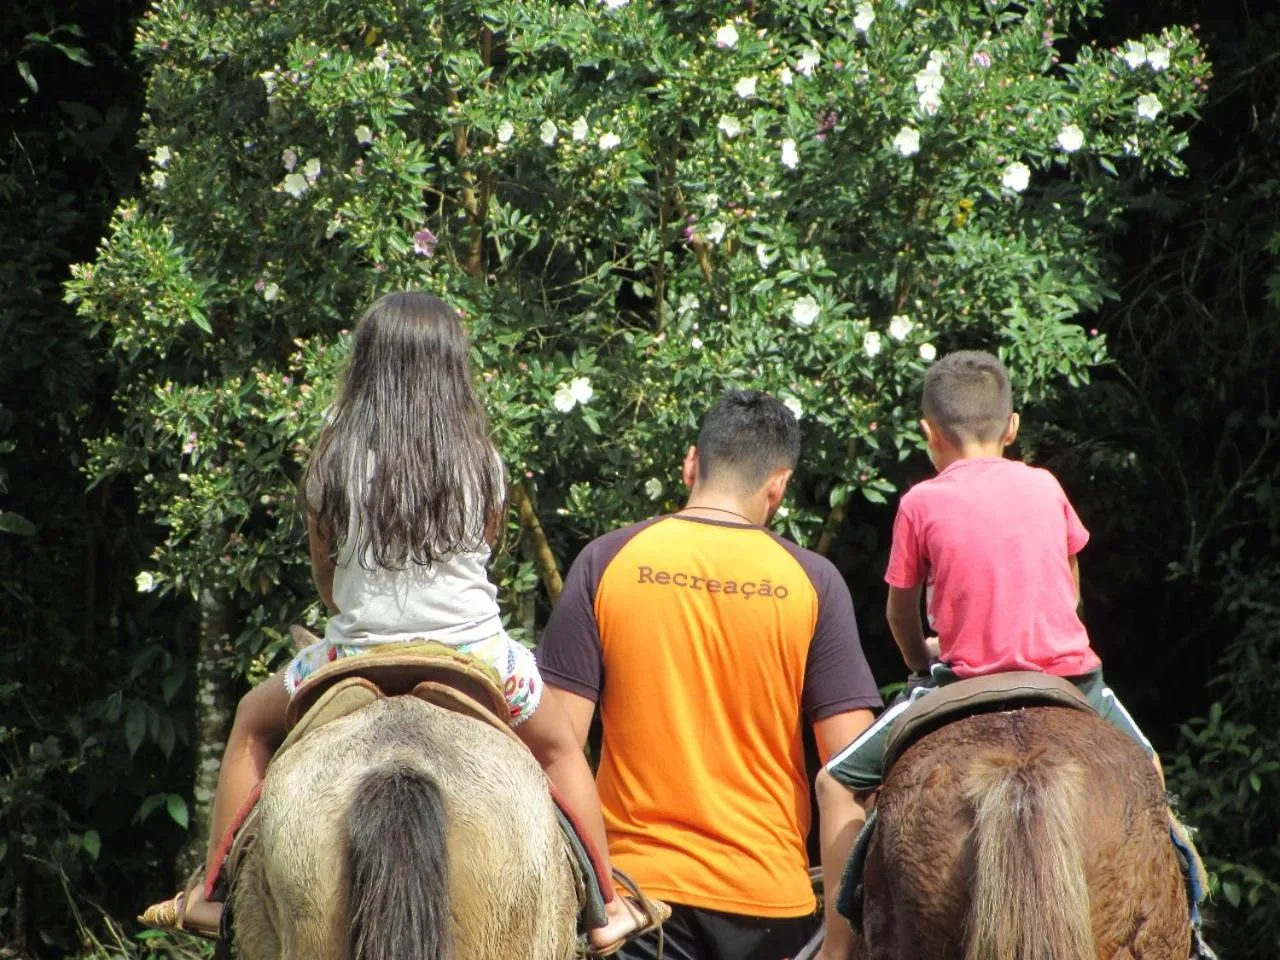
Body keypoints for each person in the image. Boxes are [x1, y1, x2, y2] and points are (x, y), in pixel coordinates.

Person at [145, 291, 660, 955]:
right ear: (452, 367)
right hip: (476, 654)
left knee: (249, 718)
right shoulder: (482, 460)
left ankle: (211, 896)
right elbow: (487, 556)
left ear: (367, 364)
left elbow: (328, 582)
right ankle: (607, 907)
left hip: (351, 652)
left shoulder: (331, 459)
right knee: (561, 747)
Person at [816, 349, 1175, 959]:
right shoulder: (1046, 485)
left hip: (960, 682)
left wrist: (916, 659)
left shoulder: (920, 502)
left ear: (929, 433)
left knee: (833, 784)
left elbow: (899, 614)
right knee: (1147, 776)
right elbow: (1072, 590)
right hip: (1071, 682)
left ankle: (834, 945)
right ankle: (1186, 913)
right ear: (1012, 428)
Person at [537, 390, 883, 960]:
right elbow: (852, 770)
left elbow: (557, 746)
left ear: (692, 463)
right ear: (778, 485)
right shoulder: (813, 581)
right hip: (770, 904)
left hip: (637, 901)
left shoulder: (606, 561)